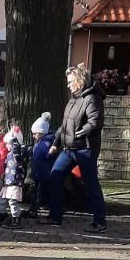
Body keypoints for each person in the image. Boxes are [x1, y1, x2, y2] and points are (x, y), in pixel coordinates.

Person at [47, 64, 108, 234]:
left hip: (85, 149)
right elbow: (65, 124)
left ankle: (99, 221)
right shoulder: (73, 99)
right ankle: (55, 216)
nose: (68, 85)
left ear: (80, 81)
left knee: (91, 184)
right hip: (69, 149)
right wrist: (56, 142)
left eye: (70, 81)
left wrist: (81, 132)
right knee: (55, 176)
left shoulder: (92, 98)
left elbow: (96, 121)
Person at [27, 112, 55, 217]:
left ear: (41, 132)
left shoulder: (45, 143)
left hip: (43, 173)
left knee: (40, 192)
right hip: (38, 172)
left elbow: (48, 155)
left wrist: (49, 153)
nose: (33, 136)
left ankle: (36, 208)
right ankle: (35, 207)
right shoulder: (40, 142)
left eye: (35, 133)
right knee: (36, 191)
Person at [0, 126, 26, 228]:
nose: (6, 146)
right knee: (1, 200)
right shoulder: (9, 154)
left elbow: (18, 155)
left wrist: (14, 140)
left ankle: (16, 219)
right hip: (7, 182)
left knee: (13, 202)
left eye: (7, 143)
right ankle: (2, 215)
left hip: (15, 182)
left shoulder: (18, 153)